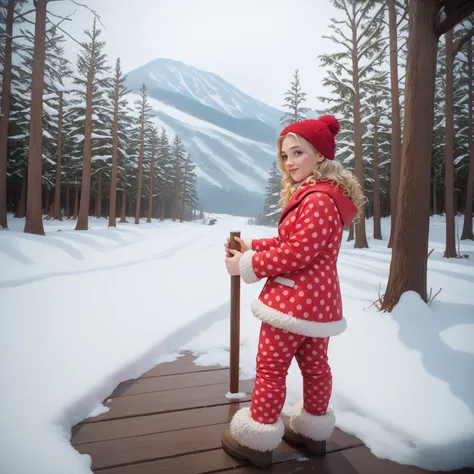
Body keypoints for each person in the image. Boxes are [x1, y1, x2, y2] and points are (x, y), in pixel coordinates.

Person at [221, 115, 365, 468]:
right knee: (316, 368)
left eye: (298, 153)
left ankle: (257, 440)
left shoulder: (317, 200)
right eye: (285, 156)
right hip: (319, 307)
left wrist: (247, 265)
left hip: (292, 304)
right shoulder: (324, 197)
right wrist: (253, 243)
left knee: (271, 368)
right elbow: (293, 241)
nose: (289, 163)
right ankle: (311, 433)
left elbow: (296, 253)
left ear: (320, 156)